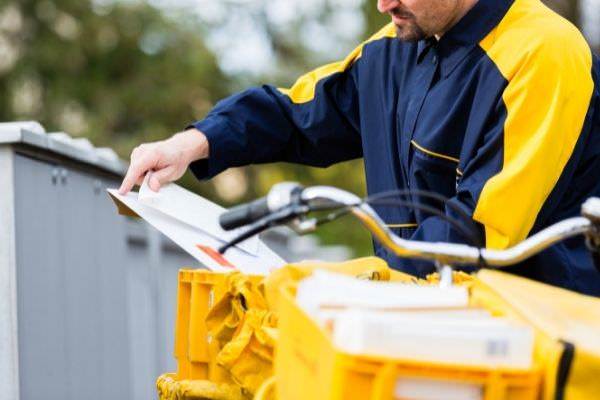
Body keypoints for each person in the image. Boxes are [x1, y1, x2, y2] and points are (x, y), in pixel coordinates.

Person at [119, 0, 600, 295]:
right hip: (418, 325)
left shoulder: (545, 54)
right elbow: (299, 114)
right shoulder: (398, 45)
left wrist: (352, 284)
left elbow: (479, 232)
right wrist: (193, 143)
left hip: (536, 348)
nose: (383, 5)